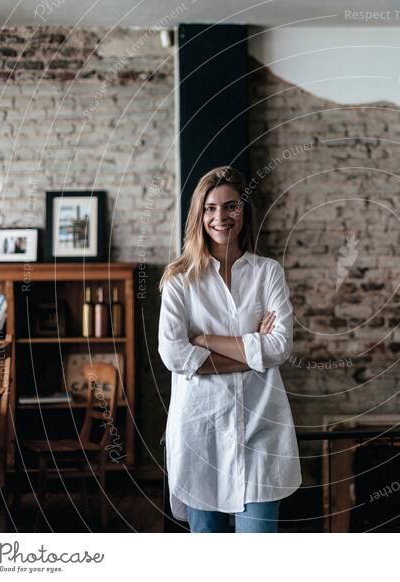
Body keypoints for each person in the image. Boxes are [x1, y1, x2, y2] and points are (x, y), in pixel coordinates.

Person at [158, 166, 301, 533]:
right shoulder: (179, 280)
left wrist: (204, 341)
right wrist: (252, 352)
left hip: (260, 429)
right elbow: (174, 355)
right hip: (199, 433)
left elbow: (280, 346)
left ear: (244, 212)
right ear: (198, 215)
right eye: (209, 208)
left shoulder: (267, 273)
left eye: (230, 206)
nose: (220, 217)